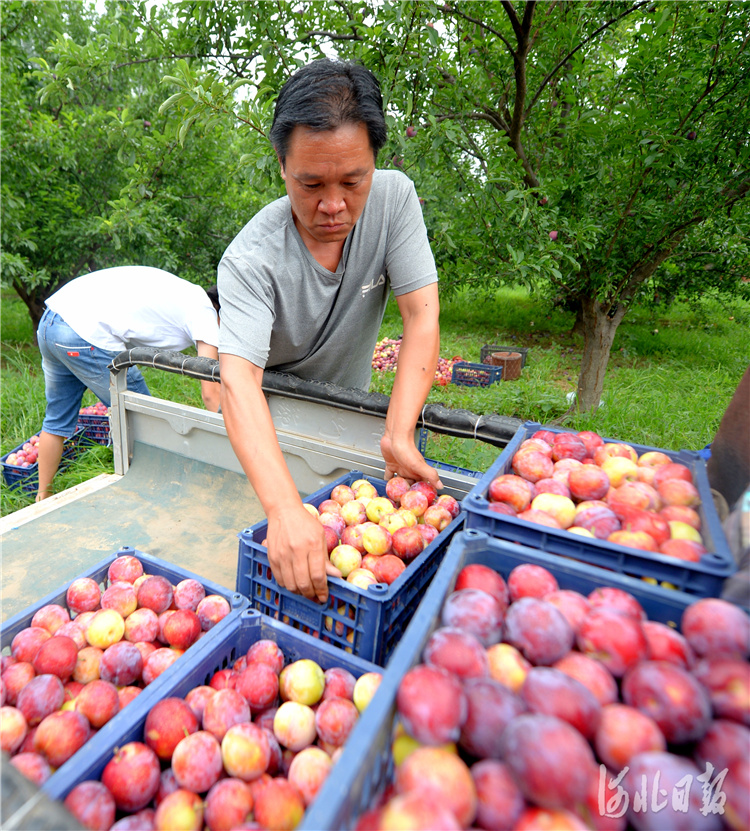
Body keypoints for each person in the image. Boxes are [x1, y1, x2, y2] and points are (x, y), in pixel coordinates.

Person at [218, 59, 441, 604]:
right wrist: (282, 507)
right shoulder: (250, 261)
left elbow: (421, 313)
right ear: (281, 165)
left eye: (353, 180)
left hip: (357, 420)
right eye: (311, 183)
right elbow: (238, 381)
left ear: (375, 164)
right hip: (273, 436)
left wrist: (399, 428)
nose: (334, 205)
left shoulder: (394, 201)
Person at [36, 265, 221, 501]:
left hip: (51, 321)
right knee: (145, 419)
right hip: (84, 332)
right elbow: (211, 393)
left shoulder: (186, 294)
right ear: (222, 312)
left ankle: (42, 497)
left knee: (56, 419)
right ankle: (151, 492)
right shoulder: (205, 310)